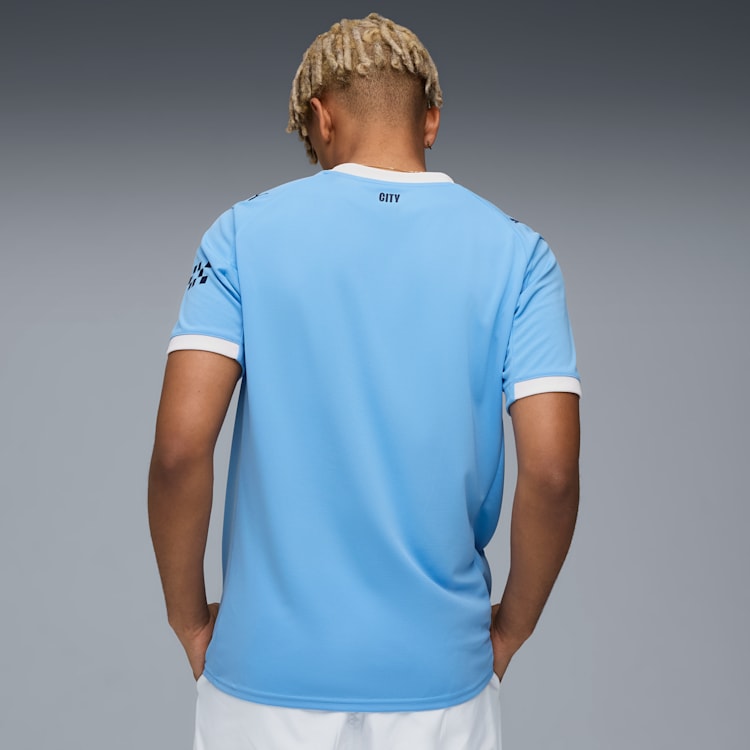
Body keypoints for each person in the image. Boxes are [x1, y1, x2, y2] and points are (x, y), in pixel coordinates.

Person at [148, 12, 581, 750]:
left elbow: (180, 451)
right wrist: (510, 629)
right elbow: (552, 472)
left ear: (320, 118)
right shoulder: (520, 256)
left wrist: (188, 619)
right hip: (440, 679)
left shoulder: (240, 235)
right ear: (431, 119)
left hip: (264, 679)